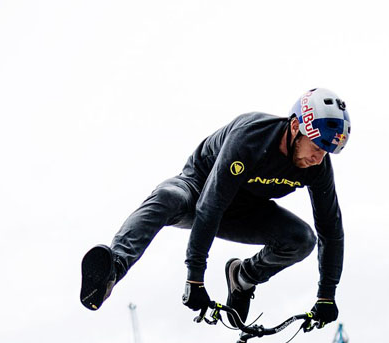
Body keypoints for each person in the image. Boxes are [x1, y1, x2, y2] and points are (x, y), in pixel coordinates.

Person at [80, 87, 350, 327]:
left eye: (326, 151)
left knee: (302, 240)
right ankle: (113, 268)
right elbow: (210, 206)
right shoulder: (250, 137)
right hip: (198, 191)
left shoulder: (318, 167)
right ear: (295, 128)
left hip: (245, 211)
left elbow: (331, 230)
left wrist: (327, 294)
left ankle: (244, 277)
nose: (318, 157)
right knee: (167, 196)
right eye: (316, 147)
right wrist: (195, 278)